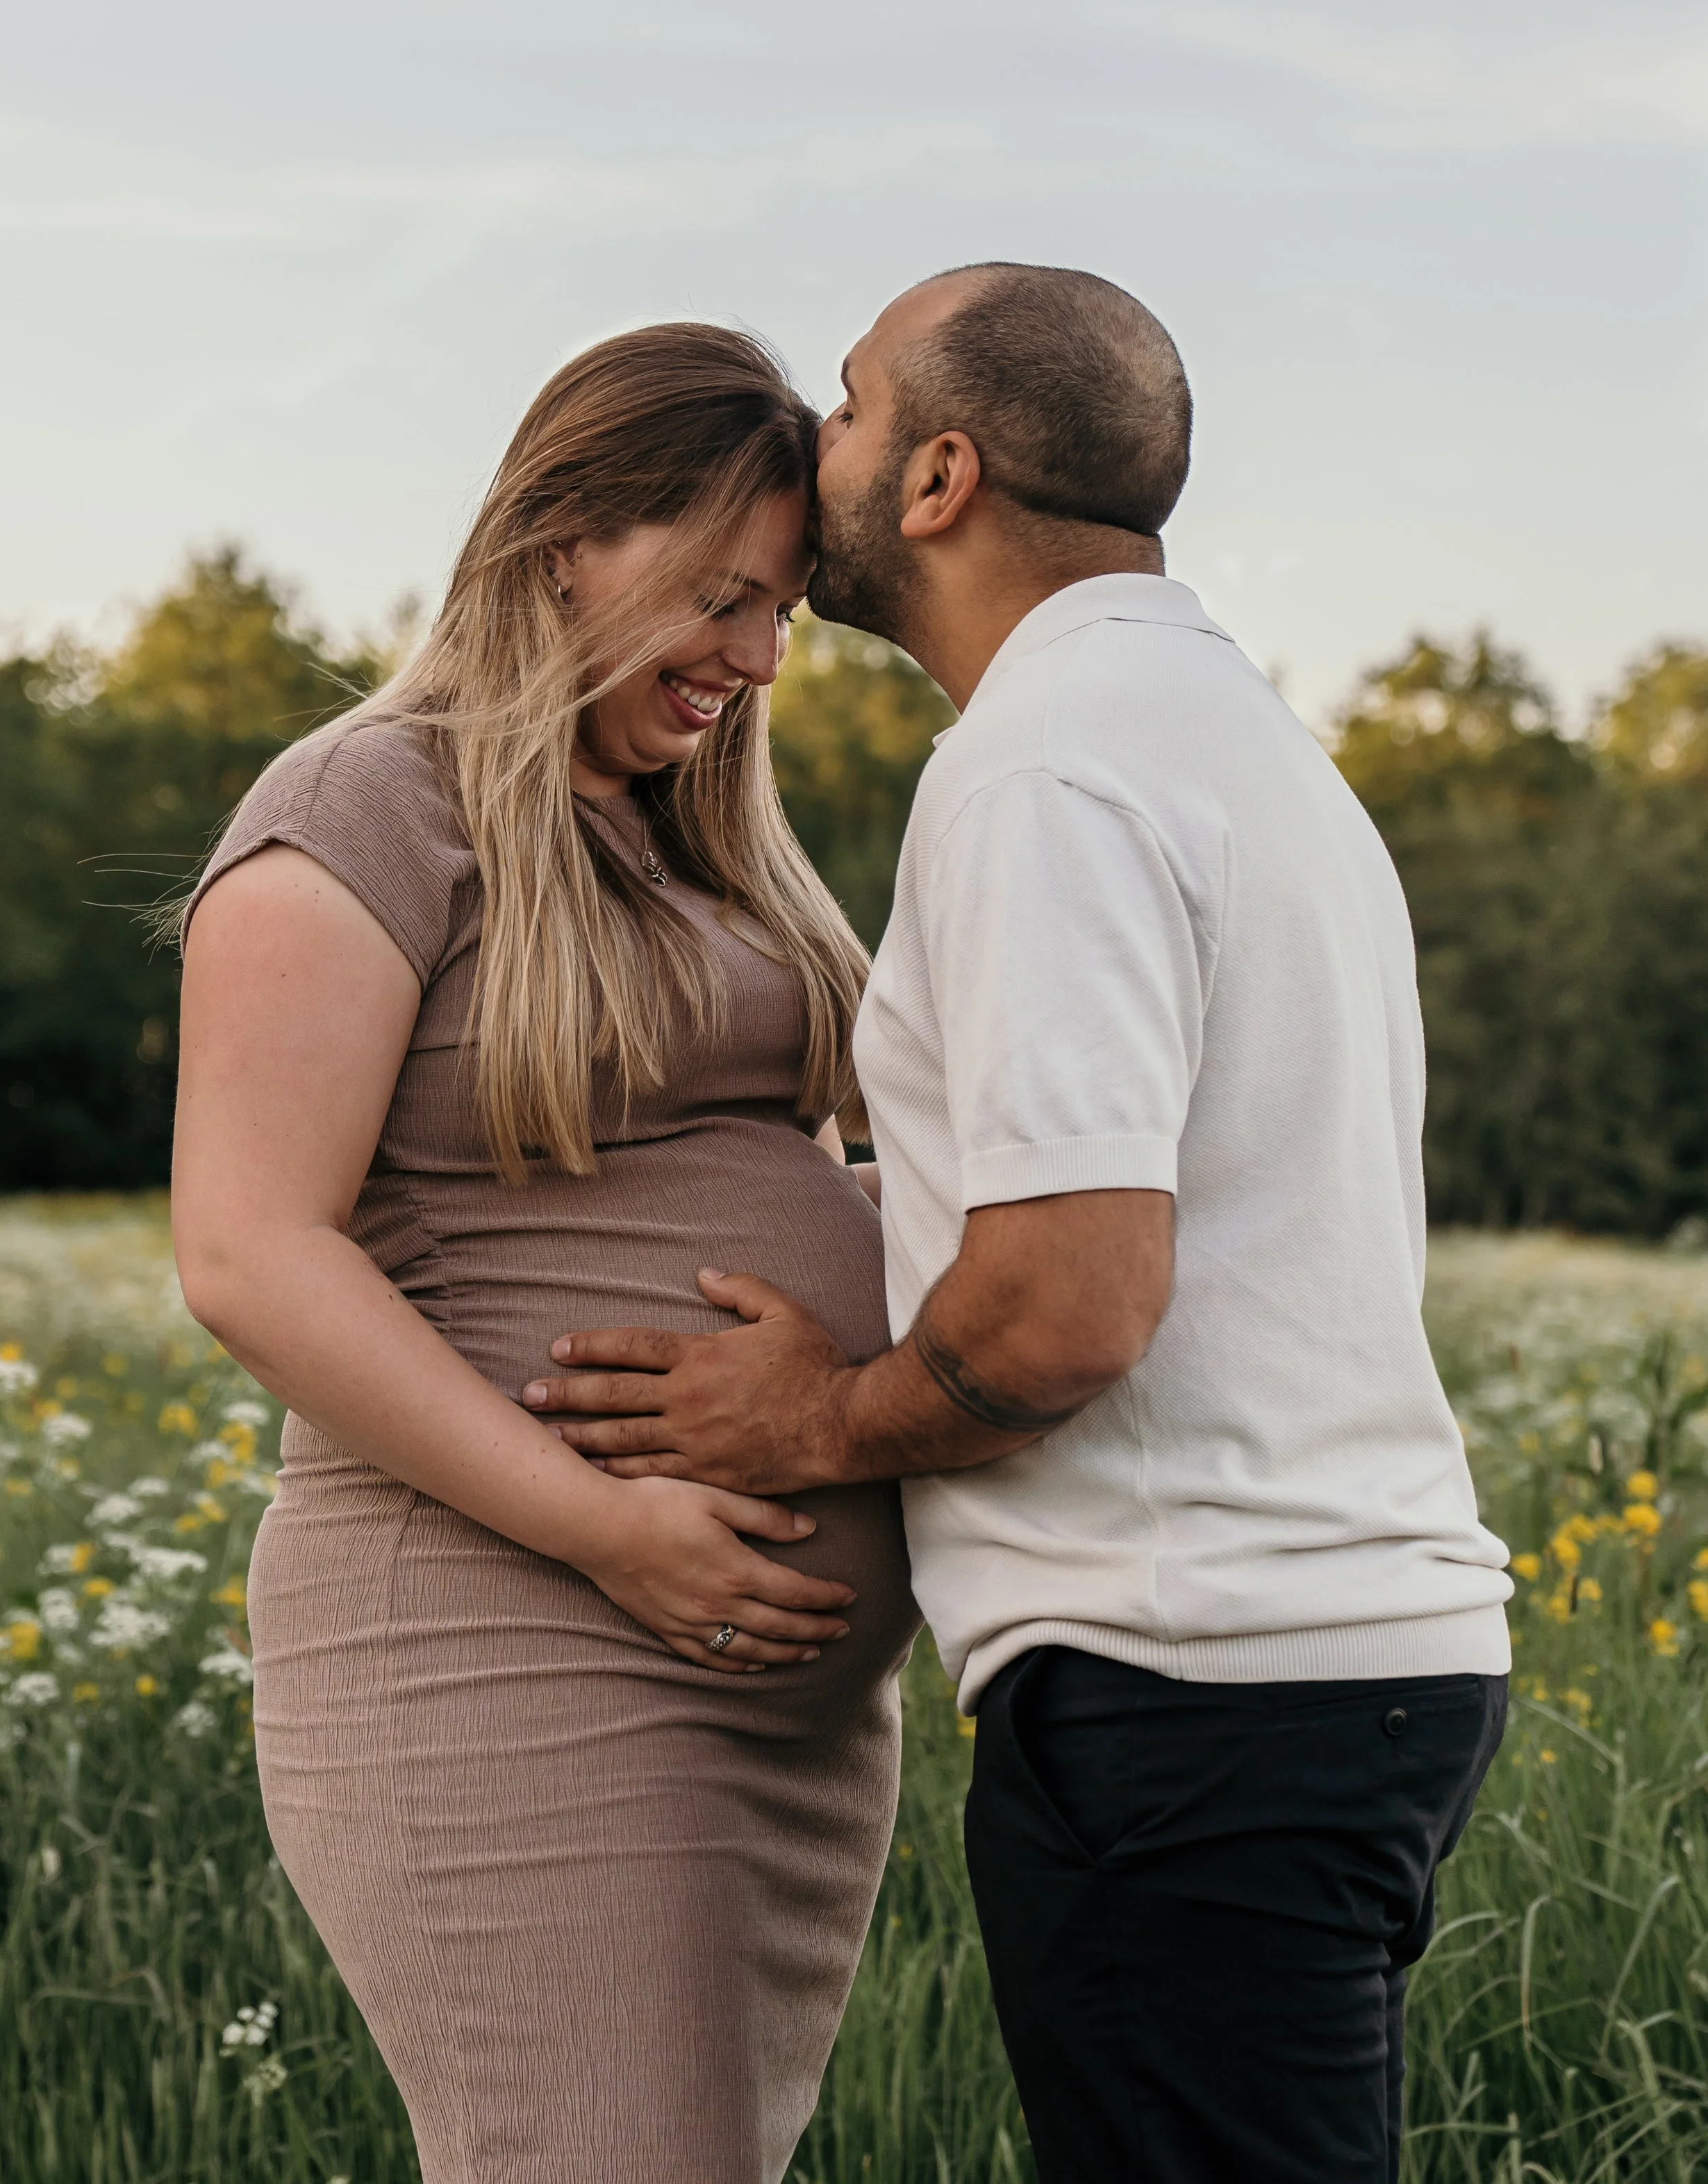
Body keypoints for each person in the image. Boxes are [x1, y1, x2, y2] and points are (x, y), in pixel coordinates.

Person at [524, 265, 1516, 2183]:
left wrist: (805, 1419)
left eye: (848, 398)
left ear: (938, 474)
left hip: (1193, 1684)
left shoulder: (1043, 769)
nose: (811, 442)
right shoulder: (1230, 741)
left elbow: (1065, 1306)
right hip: (1323, 1669)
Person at [170, 324, 921, 2184]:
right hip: (508, 1643)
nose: (752, 662)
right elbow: (250, 1251)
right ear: (566, 532)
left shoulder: (692, 841)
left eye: (780, 621)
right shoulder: (366, 807)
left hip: (763, 1713)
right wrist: (607, 1523)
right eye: (720, 599)